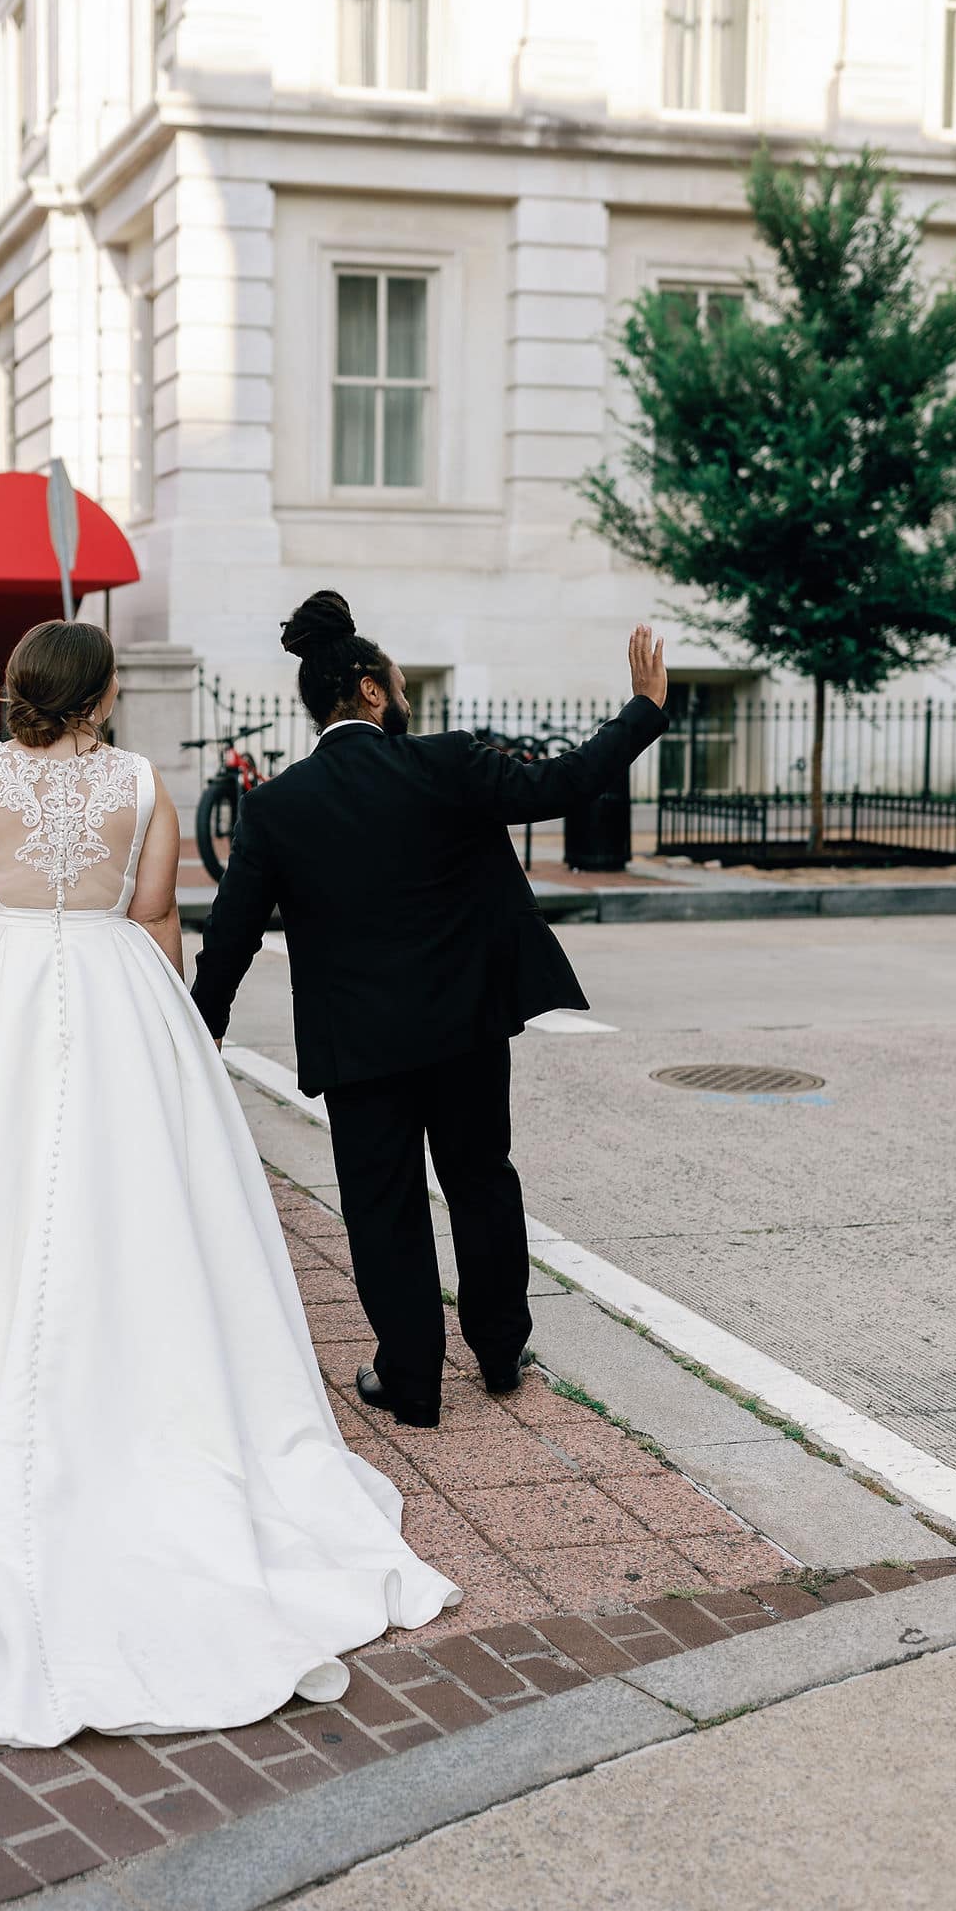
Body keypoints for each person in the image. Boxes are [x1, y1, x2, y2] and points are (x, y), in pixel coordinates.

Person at [0, 619, 458, 1744]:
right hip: (116, 991)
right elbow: (156, 915)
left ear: (22, 688)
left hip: (2, 985)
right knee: (135, 1200)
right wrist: (177, 1044)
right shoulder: (141, 783)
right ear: (101, 694)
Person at [191, 592, 669, 1430]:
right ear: (372, 691)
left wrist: (200, 1030)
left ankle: (411, 1380)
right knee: (482, 1180)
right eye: (401, 684)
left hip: (360, 1048)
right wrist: (643, 710)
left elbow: (228, 937)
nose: (408, 695)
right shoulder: (445, 762)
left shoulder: (275, 808)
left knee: (385, 1205)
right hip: (464, 1030)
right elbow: (565, 783)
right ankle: (497, 1354)